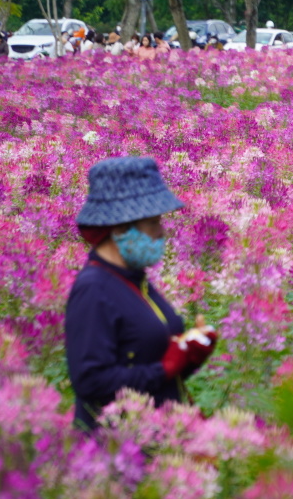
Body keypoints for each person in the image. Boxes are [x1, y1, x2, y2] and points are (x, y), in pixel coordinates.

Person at [65, 156, 218, 431]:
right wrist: (166, 368)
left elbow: (146, 360)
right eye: (153, 223)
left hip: (159, 436)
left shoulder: (135, 279)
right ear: (122, 227)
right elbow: (91, 383)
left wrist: (189, 356)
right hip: (120, 448)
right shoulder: (94, 289)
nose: (161, 232)